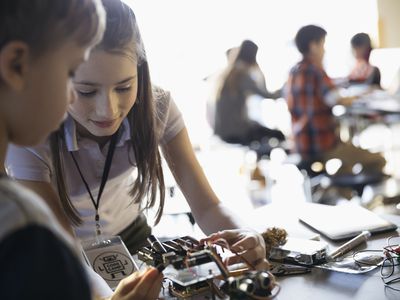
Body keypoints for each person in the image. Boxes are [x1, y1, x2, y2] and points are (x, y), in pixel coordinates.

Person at [5, 0, 269, 272]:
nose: (107, 110)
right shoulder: (31, 130)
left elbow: (207, 207)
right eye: (86, 91)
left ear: (140, 72)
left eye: (124, 87)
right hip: (65, 252)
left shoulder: (159, 105)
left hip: (135, 237)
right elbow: (59, 248)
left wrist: (247, 235)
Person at [0, 1, 163, 299]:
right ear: (16, 65)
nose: (72, 96)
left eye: (123, 87)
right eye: (71, 73)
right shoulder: (24, 226)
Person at [285, 25, 386, 176]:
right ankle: (340, 189)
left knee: (347, 163)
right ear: (313, 46)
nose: (324, 51)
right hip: (321, 145)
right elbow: (335, 99)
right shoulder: (315, 71)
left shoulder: (293, 72)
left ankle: (332, 189)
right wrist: (357, 96)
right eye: (322, 44)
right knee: (378, 160)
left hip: (300, 144)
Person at [213, 40, 285, 148]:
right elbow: (267, 95)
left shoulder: (228, 72)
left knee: (258, 126)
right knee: (279, 135)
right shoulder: (242, 75)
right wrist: (286, 88)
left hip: (222, 131)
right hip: (237, 131)